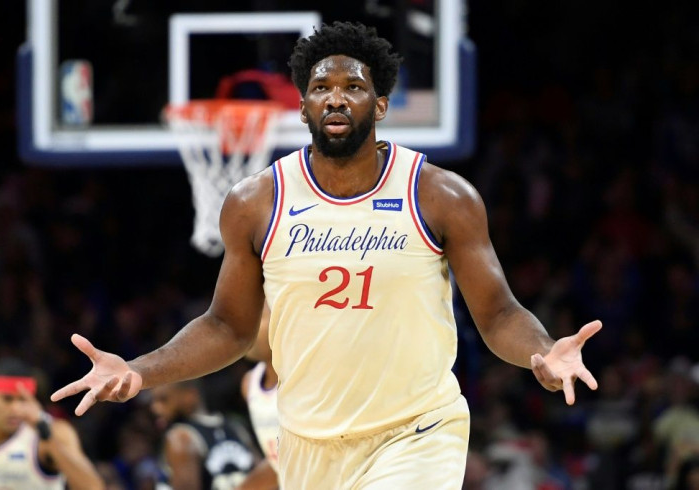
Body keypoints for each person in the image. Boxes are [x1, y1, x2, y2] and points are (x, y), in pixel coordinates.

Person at [52, 21, 602, 489]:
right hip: (306, 445)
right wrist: (139, 372)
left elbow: (500, 313)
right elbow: (227, 327)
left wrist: (546, 352)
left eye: (354, 87)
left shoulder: (440, 195)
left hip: (415, 432)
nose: (335, 97)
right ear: (303, 104)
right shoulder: (255, 201)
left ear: (380, 103)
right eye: (321, 87)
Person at [0, 357, 104, 490]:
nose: (16, 409)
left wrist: (45, 433)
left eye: (23, 400)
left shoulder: (54, 430)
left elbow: (93, 487)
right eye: (7, 399)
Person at [150, 379, 259, 489]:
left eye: (163, 400)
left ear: (190, 395)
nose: (155, 408)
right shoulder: (235, 427)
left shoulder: (180, 437)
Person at [237, 303, 280, 490]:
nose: (246, 329)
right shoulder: (249, 384)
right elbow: (277, 463)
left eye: (257, 318)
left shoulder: (305, 378)